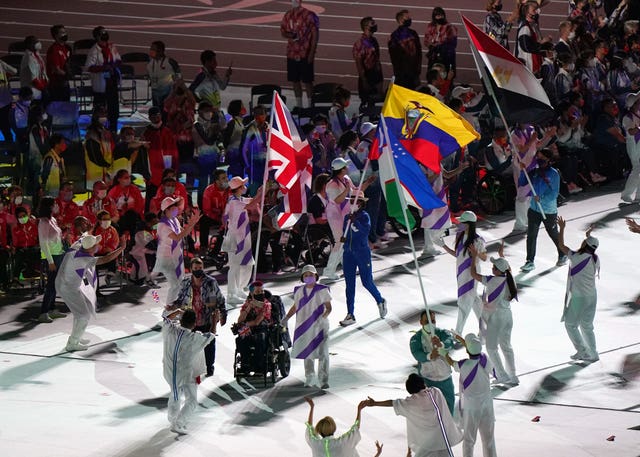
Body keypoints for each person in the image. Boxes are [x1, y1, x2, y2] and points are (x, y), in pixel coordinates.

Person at [363, 373, 463, 457]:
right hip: (443, 442)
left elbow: (392, 403)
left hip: (427, 446)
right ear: (423, 383)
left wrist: (375, 403)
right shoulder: (436, 391)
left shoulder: (411, 402)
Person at [56, 234, 125, 351]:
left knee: (80, 313)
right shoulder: (84, 259)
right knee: (84, 315)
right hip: (68, 288)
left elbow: (82, 237)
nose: (98, 246)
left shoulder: (76, 247)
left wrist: (90, 230)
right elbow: (106, 259)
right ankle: (72, 343)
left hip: (65, 283)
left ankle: (77, 336)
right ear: (89, 248)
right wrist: (122, 247)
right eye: (95, 245)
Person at [469, 242, 519, 385]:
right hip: (508, 316)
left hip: (495, 317)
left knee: (491, 348)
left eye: (494, 267)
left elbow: (473, 274)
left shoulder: (491, 280)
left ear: (498, 271)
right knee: (506, 346)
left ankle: (502, 375)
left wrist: (473, 257)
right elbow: (508, 268)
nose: (492, 268)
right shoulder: (510, 279)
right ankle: (513, 375)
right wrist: (502, 256)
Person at [162, 308, 214, 434]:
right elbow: (211, 335)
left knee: (175, 394)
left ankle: (173, 419)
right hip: (185, 374)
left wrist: (178, 311)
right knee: (190, 400)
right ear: (194, 323)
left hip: (170, 370)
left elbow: (166, 318)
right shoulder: (194, 338)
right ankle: (177, 422)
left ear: (180, 320)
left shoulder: (170, 330)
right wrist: (215, 321)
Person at [339, 191, 387, 327]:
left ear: (360, 203)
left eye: (355, 201)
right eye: (351, 201)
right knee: (349, 284)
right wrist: (344, 238)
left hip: (361, 252)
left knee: (366, 281)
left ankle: (380, 300)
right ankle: (350, 314)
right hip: (348, 252)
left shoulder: (364, 216)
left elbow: (364, 233)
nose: (352, 203)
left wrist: (355, 223)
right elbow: (346, 232)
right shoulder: (346, 217)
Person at [173, 257, 226, 377]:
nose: (198, 270)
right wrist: (173, 306)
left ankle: (209, 366)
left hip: (207, 318)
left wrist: (223, 314)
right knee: (189, 345)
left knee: (209, 343)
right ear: (191, 269)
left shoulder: (211, 282)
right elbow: (181, 298)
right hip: (190, 320)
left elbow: (220, 298)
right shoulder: (186, 282)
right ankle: (189, 367)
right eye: (195, 268)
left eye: (200, 268)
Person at [557, 216, 600, 363]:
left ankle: (582, 351)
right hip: (592, 296)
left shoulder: (576, 257)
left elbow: (561, 244)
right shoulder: (595, 258)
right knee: (587, 325)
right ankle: (593, 353)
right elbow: (588, 247)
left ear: (585, 245)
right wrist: (588, 235)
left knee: (570, 324)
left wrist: (562, 229)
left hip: (579, 298)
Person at [446, 333, 497, 457]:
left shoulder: (463, 364)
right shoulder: (485, 359)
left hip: (471, 409)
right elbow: (474, 350)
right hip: (487, 406)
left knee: (469, 441)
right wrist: (462, 340)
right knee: (489, 440)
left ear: (467, 350)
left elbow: (451, 363)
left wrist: (444, 353)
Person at [282, 265, 332, 388]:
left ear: (316, 276)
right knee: (307, 352)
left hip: (320, 326)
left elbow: (329, 308)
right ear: (302, 277)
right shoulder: (299, 291)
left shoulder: (322, 290)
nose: (309, 277)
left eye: (311, 275)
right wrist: (286, 318)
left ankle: (323, 380)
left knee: (323, 353)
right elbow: (295, 307)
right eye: (306, 275)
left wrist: (323, 317)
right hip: (304, 326)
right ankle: (309, 377)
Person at [519, 148, 567, 272]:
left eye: (541, 157)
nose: (538, 159)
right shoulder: (534, 172)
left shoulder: (554, 173)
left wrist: (542, 198)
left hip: (548, 211)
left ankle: (563, 254)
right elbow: (522, 182)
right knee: (531, 235)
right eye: (537, 156)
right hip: (534, 210)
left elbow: (554, 193)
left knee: (553, 234)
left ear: (547, 158)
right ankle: (530, 261)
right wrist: (523, 171)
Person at [442, 211, 487, 335]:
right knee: (474, 301)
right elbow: (457, 255)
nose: (459, 223)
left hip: (471, 273)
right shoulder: (460, 236)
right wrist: (443, 246)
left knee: (464, 301)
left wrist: (476, 253)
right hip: (461, 273)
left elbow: (484, 257)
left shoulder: (478, 240)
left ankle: (458, 331)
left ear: (468, 224)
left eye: (461, 222)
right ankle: (484, 329)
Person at [154, 196, 201, 308]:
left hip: (176, 256)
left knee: (180, 283)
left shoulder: (174, 220)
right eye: (173, 206)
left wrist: (191, 224)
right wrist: (192, 224)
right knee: (175, 285)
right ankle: (169, 308)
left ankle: (177, 307)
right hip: (166, 259)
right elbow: (178, 237)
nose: (176, 208)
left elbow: (183, 231)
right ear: (167, 210)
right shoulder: (163, 225)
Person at [221, 177, 262, 304]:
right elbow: (251, 204)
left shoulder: (239, 199)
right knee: (234, 267)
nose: (245, 187)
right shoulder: (233, 201)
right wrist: (261, 193)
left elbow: (253, 201)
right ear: (238, 188)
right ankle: (231, 294)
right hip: (235, 238)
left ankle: (238, 289)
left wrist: (261, 193)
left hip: (243, 236)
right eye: (243, 185)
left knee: (243, 265)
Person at [409, 309, 456, 414]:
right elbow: (416, 353)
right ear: (421, 322)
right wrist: (429, 355)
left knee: (449, 409)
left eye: (433, 321)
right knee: (431, 412)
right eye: (427, 322)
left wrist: (442, 345)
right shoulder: (416, 338)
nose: (430, 324)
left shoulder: (442, 333)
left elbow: (450, 341)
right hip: (428, 380)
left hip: (445, 378)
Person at [280, 0, 319, 108]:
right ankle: (299, 106)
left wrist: (312, 52)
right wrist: (289, 35)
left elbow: (315, 35)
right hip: (292, 53)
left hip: (305, 53)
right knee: (295, 80)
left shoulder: (309, 15)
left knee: (308, 81)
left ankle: (311, 106)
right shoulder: (288, 15)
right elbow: (282, 31)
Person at [37, 196, 68, 323]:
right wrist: (50, 261)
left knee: (56, 284)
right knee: (51, 284)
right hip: (51, 257)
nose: (57, 206)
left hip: (58, 254)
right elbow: (43, 243)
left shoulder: (52, 220)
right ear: (49, 206)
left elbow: (55, 237)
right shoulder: (43, 222)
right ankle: (44, 312)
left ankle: (52, 309)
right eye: (55, 204)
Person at [86, 26, 121, 132]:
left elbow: (119, 60)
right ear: (97, 37)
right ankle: (96, 130)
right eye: (102, 33)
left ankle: (113, 131)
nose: (105, 35)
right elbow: (89, 67)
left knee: (113, 110)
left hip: (112, 83)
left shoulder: (112, 47)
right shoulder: (94, 50)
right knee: (99, 110)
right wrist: (103, 68)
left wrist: (112, 66)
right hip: (101, 85)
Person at [234, 281, 271, 374]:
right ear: (251, 293)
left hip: (261, 328)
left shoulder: (266, 304)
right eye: (258, 292)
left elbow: (257, 322)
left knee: (259, 338)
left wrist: (244, 324)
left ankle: (259, 365)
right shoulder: (247, 304)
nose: (261, 293)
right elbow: (240, 320)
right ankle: (245, 364)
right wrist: (249, 307)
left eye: (262, 291)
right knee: (241, 338)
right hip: (249, 327)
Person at [353, 16, 384, 108]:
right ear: (366, 27)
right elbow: (359, 63)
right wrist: (364, 80)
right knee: (366, 101)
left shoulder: (374, 40)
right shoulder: (360, 43)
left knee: (376, 99)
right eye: (373, 23)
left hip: (376, 74)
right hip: (367, 75)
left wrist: (379, 75)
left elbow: (377, 58)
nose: (375, 25)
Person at [388, 9, 422, 89]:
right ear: (400, 20)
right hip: (403, 72)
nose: (410, 19)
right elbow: (394, 57)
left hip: (411, 71)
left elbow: (418, 51)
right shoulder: (395, 36)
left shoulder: (412, 33)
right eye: (407, 17)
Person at [200, 169, 230, 256]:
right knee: (203, 219)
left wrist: (225, 218)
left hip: (228, 218)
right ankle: (203, 247)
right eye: (223, 178)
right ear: (217, 181)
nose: (227, 180)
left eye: (226, 177)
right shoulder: (209, 190)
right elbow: (206, 210)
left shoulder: (230, 189)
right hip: (215, 217)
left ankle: (215, 252)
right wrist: (219, 218)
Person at [107, 169, 144, 234]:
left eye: (129, 177)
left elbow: (140, 204)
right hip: (119, 217)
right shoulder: (113, 191)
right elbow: (110, 207)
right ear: (119, 179)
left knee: (132, 216)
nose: (128, 179)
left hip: (133, 216)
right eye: (126, 178)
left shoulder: (134, 189)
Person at [146, 40, 181, 111]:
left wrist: (174, 92)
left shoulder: (170, 62)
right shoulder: (150, 63)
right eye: (151, 49)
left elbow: (179, 78)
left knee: (166, 114)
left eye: (153, 49)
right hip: (155, 93)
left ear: (160, 51)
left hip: (168, 94)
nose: (151, 51)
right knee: (157, 113)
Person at [424, 7, 458, 72]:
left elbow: (453, 43)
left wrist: (440, 45)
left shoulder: (450, 27)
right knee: (432, 76)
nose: (440, 17)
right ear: (434, 17)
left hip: (446, 57)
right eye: (438, 16)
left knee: (446, 78)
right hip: (434, 56)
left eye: (442, 15)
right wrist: (431, 45)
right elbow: (426, 40)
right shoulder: (430, 26)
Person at [621, 91, 640, 203]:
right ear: (634, 104)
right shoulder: (627, 118)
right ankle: (626, 194)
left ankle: (638, 196)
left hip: (639, 142)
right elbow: (632, 132)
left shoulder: (637, 113)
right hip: (633, 144)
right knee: (637, 168)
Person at [130, 212, 158, 287]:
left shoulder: (150, 230)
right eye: (154, 222)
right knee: (142, 267)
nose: (156, 224)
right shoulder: (142, 231)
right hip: (137, 253)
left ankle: (143, 278)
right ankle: (140, 280)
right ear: (149, 222)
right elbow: (149, 244)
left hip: (144, 252)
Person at [46, 24, 71, 102]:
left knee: (66, 107)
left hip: (65, 83)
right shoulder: (54, 50)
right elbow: (56, 69)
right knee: (58, 109)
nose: (65, 34)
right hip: (56, 85)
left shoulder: (66, 48)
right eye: (62, 32)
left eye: (65, 32)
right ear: (56, 35)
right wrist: (67, 75)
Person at [20, 35, 48, 101]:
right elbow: (33, 79)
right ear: (29, 44)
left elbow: (42, 72)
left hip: (38, 88)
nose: (38, 43)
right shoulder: (28, 58)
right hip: (31, 91)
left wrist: (45, 85)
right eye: (35, 42)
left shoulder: (37, 55)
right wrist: (43, 89)